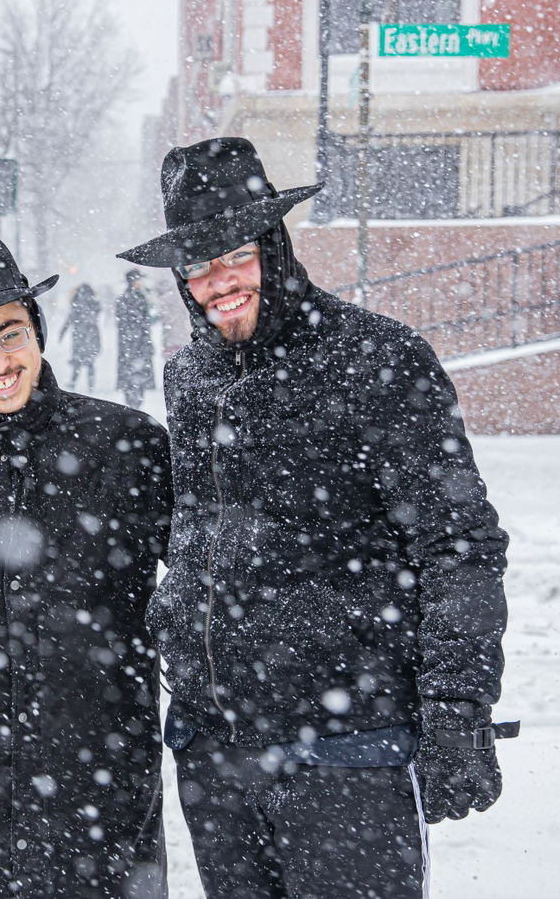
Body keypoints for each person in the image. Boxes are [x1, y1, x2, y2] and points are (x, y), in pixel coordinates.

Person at [117, 138, 517, 898]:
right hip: (216, 751)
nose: (218, 282)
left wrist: (457, 705)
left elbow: (458, 544)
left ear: (274, 245)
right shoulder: (189, 376)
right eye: (197, 265)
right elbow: (199, 534)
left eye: (236, 255)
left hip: (348, 747)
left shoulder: (376, 357)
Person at [0, 233, 172, 898]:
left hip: (103, 791)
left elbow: (212, 581)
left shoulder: (127, 445)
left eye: (10, 333)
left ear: (38, 329)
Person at [115, 269, 156, 410]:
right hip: (135, 345)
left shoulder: (126, 298)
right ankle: (134, 407)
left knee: (133, 378)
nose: (140, 282)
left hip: (131, 345)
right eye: (138, 280)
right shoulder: (135, 298)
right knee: (136, 378)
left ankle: (133, 406)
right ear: (132, 281)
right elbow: (140, 323)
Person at [57, 282, 102, 390]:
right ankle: (91, 385)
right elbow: (97, 314)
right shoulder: (93, 303)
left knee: (77, 362)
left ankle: (73, 382)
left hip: (79, 336)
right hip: (91, 336)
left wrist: (62, 333)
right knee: (90, 362)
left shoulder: (76, 304)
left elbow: (69, 320)